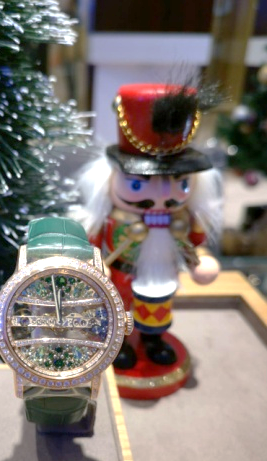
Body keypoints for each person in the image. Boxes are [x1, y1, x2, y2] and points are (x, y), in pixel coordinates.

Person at [76, 83, 222, 370]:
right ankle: (118, 342)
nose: (162, 195)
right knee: (118, 308)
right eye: (137, 184)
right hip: (121, 273)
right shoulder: (111, 216)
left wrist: (200, 261)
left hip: (163, 272)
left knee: (158, 306)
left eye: (180, 183)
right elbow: (93, 240)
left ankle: (152, 340)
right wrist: (96, 263)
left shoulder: (183, 217)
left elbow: (196, 242)